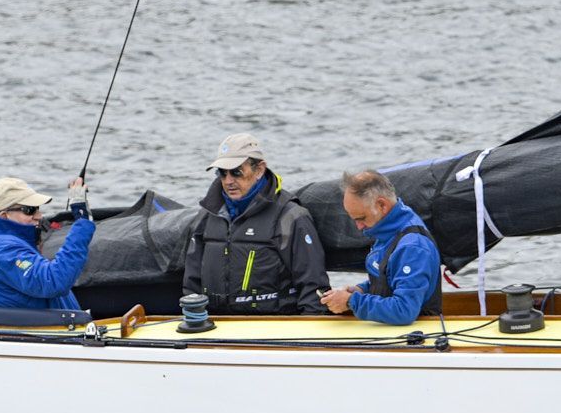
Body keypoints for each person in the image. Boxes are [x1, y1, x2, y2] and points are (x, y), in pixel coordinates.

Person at [183, 133, 329, 314]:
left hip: (275, 326)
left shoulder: (291, 217)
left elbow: (313, 285)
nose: (228, 181)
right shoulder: (206, 215)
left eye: (236, 172)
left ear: (259, 169)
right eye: (222, 173)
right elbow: (191, 281)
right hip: (216, 325)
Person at [320, 170, 441, 325]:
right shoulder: (387, 231)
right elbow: (390, 280)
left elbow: (404, 310)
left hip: (418, 334)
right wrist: (360, 290)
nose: (358, 227)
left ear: (382, 205)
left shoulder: (412, 247)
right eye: (354, 219)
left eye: (361, 218)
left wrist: (352, 301)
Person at [0, 177, 95, 310]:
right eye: (29, 210)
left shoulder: (3, 242)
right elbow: (54, 282)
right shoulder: (2, 248)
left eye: (37, 208)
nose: (39, 215)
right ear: (4, 216)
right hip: (44, 328)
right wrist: (82, 222)